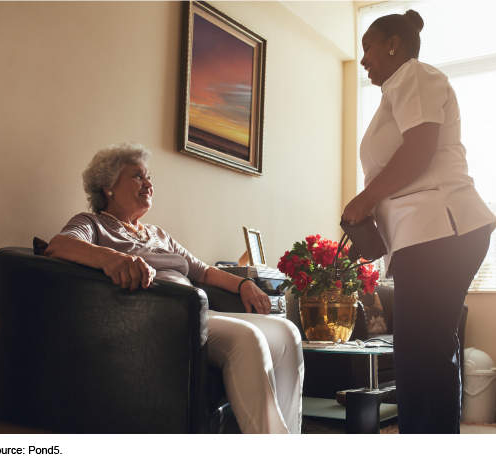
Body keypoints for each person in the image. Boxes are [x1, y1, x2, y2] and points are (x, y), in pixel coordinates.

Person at [45, 142, 303, 434]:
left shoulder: (157, 234)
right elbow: (58, 245)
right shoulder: (92, 224)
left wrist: (244, 283)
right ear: (107, 187)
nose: (148, 183)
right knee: (248, 338)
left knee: (286, 332)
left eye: (149, 176)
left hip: (198, 310)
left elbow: (202, 270)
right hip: (158, 318)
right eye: (137, 176)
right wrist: (114, 258)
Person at [342, 10, 496, 434]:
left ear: (394, 43)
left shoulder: (413, 74)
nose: (363, 60)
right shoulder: (395, 91)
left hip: (442, 229)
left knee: (419, 353)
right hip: (429, 234)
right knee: (425, 351)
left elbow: (420, 149)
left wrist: (366, 197)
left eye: (368, 48)